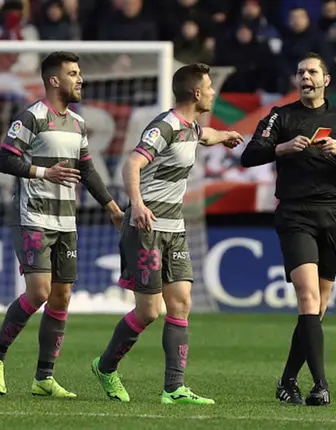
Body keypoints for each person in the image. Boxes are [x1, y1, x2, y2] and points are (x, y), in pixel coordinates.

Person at [90, 63, 244, 404]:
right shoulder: (165, 126)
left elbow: (205, 136)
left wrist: (226, 136)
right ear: (196, 92)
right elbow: (133, 163)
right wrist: (138, 204)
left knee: (182, 302)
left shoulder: (190, 126)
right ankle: (105, 366)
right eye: (209, 86)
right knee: (148, 312)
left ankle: (173, 389)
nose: (214, 92)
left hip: (174, 228)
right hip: (146, 227)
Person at [0, 51, 123, 397]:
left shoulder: (76, 123)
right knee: (39, 292)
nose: (80, 79)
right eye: (73, 73)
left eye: (80, 73)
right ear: (54, 80)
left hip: (66, 219)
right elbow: (4, 159)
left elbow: (87, 170)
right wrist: (44, 172)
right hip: (32, 216)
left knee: (61, 297)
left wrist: (112, 207)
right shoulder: (32, 117)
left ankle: (44, 377)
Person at [240, 52, 336, 406]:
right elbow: (249, 154)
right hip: (295, 214)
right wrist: (281, 148)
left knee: (319, 307)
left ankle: (287, 381)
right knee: (308, 299)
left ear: (326, 80)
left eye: (312, 72)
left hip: (333, 214)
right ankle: (321, 385)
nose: (305, 77)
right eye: (300, 72)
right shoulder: (281, 116)